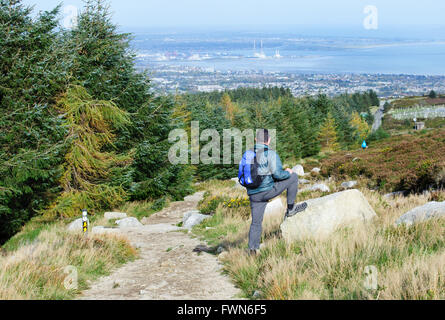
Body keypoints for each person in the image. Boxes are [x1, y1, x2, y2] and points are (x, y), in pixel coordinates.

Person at [247, 129, 307, 255]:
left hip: (253, 194)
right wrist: (289, 172)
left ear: (255, 140)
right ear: (268, 140)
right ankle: (291, 209)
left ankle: (253, 250)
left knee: (256, 222)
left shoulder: (248, 154)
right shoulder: (271, 154)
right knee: (294, 177)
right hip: (267, 191)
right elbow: (278, 175)